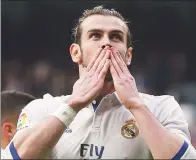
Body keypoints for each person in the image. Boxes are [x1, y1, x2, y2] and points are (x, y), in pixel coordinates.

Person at [3, 5, 196, 159]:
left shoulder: (161, 107)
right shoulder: (43, 108)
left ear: (128, 55)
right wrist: (72, 106)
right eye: (95, 35)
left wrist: (136, 104)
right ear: (75, 52)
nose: (107, 43)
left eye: (116, 37)